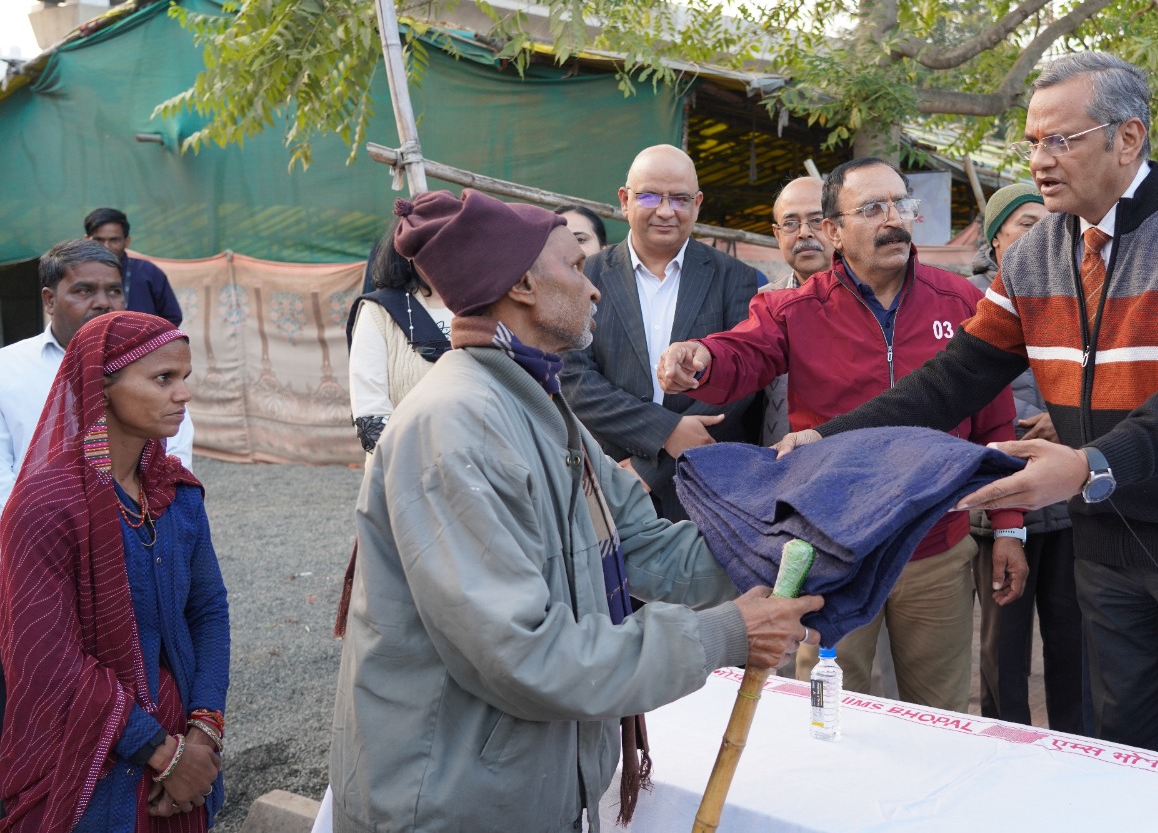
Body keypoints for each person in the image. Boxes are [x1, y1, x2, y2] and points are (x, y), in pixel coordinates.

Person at [776, 52, 1158, 772]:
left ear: (1127, 138)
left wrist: (1088, 465)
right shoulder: (1035, 254)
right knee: (1121, 746)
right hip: (1109, 533)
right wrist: (830, 439)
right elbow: (954, 378)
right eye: (1032, 142)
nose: (1039, 160)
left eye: (1060, 140)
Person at [328, 189, 821, 832]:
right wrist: (725, 633)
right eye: (577, 267)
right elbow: (520, 652)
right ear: (524, 285)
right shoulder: (455, 423)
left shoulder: (535, 402)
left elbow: (642, 544)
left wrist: (797, 539)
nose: (593, 290)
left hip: (526, 784)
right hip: (453, 803)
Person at [656, 158, 1024, 715]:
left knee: (938, 715)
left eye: (901, 204)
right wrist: (701, 356)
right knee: (828, 712)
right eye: (873, 208)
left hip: (935, 546)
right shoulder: (795, 308)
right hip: (833, 551)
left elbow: (995, 420)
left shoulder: (961, 302)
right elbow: (744, 351)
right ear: (833, 230)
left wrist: (1009, 528)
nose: (894, 219)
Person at [0, 312, 228, 829]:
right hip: (87, 761)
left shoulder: (176, 493)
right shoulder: (46, 506)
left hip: (183, 746)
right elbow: (49, 659)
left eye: (184, 377)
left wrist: (202, 734)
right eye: (163, 379)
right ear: (101, 387)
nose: (183, 394)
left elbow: (209, 610)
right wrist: (162, 753)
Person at [560, 145, 761, 522]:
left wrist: (653, 466)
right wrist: (666, 432)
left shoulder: (735, 278)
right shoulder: (586, 276)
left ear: (697, 204)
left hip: (706, 489)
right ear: (625, 200)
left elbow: (742, 378)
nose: (666, 211)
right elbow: (574, 378)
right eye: (650, 196)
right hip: (608, 479)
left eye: (680, 199)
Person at [957, 181, 1081, 730]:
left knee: (1072, 638)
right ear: (996, 238)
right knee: (1003, 645)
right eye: (1028, 224)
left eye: (1052, 224)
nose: (1045, 234)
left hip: (1070, 496)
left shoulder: (1076, 294)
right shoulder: (971, 301)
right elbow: (974, 396)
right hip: (1003, 495)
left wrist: (1071, 419)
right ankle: (1003, 742)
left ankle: (1077, 747)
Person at [1, 240, 193, 512]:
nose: (104, 303)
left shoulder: (154, 370)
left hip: (139, 524)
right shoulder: (7, 368)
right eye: (84, 290)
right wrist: (39, 530)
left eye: (114, 291)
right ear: (49, 300)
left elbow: (175, 460)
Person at [346, 219, 454, 454]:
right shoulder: (378, 313)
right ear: (407, 249)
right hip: (405, 466)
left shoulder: (487, 308)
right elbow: (371, 416)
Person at [754, 176, 834, 447]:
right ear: (777, 235)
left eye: (816, 220)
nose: (804, 233)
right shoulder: (763, 302)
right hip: (778, 460)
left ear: (837, 226)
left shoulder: (871, 298)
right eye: (790, 223)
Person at [85, 208, 183, 327]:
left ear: (127, 241)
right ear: (87, 240)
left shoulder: (148, 271)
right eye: (99, 240)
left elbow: (173, 317)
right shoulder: (77, 273)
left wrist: (148, 337)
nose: (106, 247)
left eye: (114, 240)